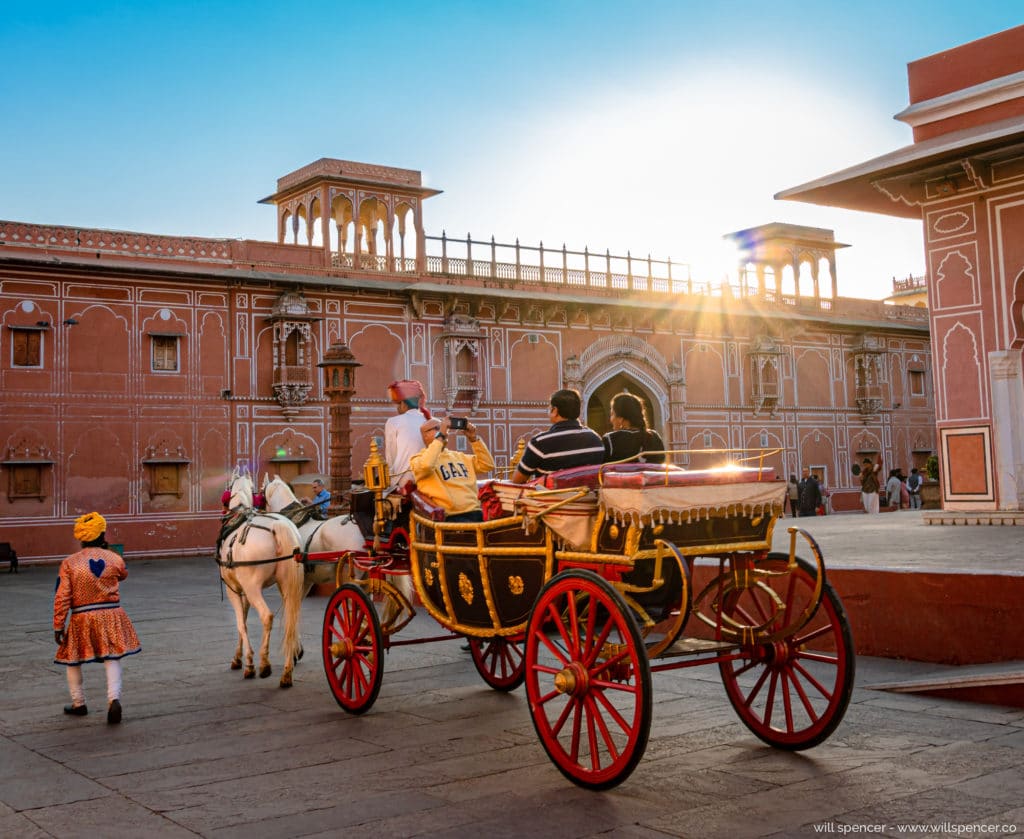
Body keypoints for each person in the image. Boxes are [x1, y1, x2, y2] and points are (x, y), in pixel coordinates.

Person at [53, 512, 141, 724]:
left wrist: (58, 624)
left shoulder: (70, 563)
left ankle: (79, 703)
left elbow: (62, 596)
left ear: (81, 538)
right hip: (111, 613)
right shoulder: (114, 558)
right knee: (112, 657)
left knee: (72, 660)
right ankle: (114, 700)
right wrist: (107, 552)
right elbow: (123, 574)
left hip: (82, 616)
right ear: (102, 534)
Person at [409, 417, 495, 522]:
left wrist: (473, 439)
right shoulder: (418, 459)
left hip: (476, 512)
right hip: (451, 518)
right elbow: (427, 465)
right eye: (438, 428)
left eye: (445, 427)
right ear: (425, 435)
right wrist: (440, 436)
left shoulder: (459, 456)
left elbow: (488, 465)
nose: (444, 431)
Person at [511, 389, 605, 484]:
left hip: (553, 498)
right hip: (588, 497)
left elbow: (518, 480)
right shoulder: (595, 439)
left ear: (555, 411)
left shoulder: (540, 442)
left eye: (549, 407)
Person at [384, 379, 430, 490]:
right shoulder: (431, 421)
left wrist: (389, 482)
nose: (397, 408)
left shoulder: (393, 422)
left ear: (404, 404)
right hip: (429, 481)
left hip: (403, 481)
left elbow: (391, 457)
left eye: (398, 404)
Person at [602, 392, 666, 464]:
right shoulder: (654, 436)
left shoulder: (610, 439)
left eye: (612, 414)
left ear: (621, 419)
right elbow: (660, 463)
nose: (611, 419)